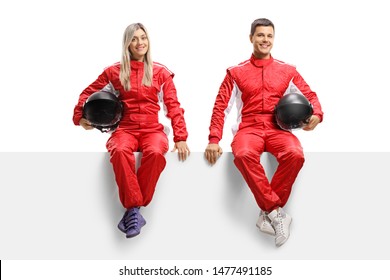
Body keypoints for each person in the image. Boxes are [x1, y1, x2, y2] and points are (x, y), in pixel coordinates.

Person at [204, 18, 323, 247]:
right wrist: (213, 139)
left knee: (295, 154)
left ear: (273, 39)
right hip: (249, 128)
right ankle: (277, 212)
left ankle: (268, 212)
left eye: (269, 36)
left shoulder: (287, 71)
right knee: (243, 155)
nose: (265, 40)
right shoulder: (235, 72)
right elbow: (221, 106)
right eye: (260, 35)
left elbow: (310, 95)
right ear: (251, 38)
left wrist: (317, 114)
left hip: (279, 128)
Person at [73, 23, 190, 238]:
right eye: (134, 39)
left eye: (143, 38)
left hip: (152, 130)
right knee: (119, 151)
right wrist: (80, 117)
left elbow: (173, 106)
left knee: (155, 153)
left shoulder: (161, 72)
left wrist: (181, 138)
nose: (140, 43)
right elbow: (87, 94)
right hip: (124, 129)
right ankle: (135, 210)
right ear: (127, 43)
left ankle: (132, 210)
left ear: (149, 41)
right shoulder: (114, 71)